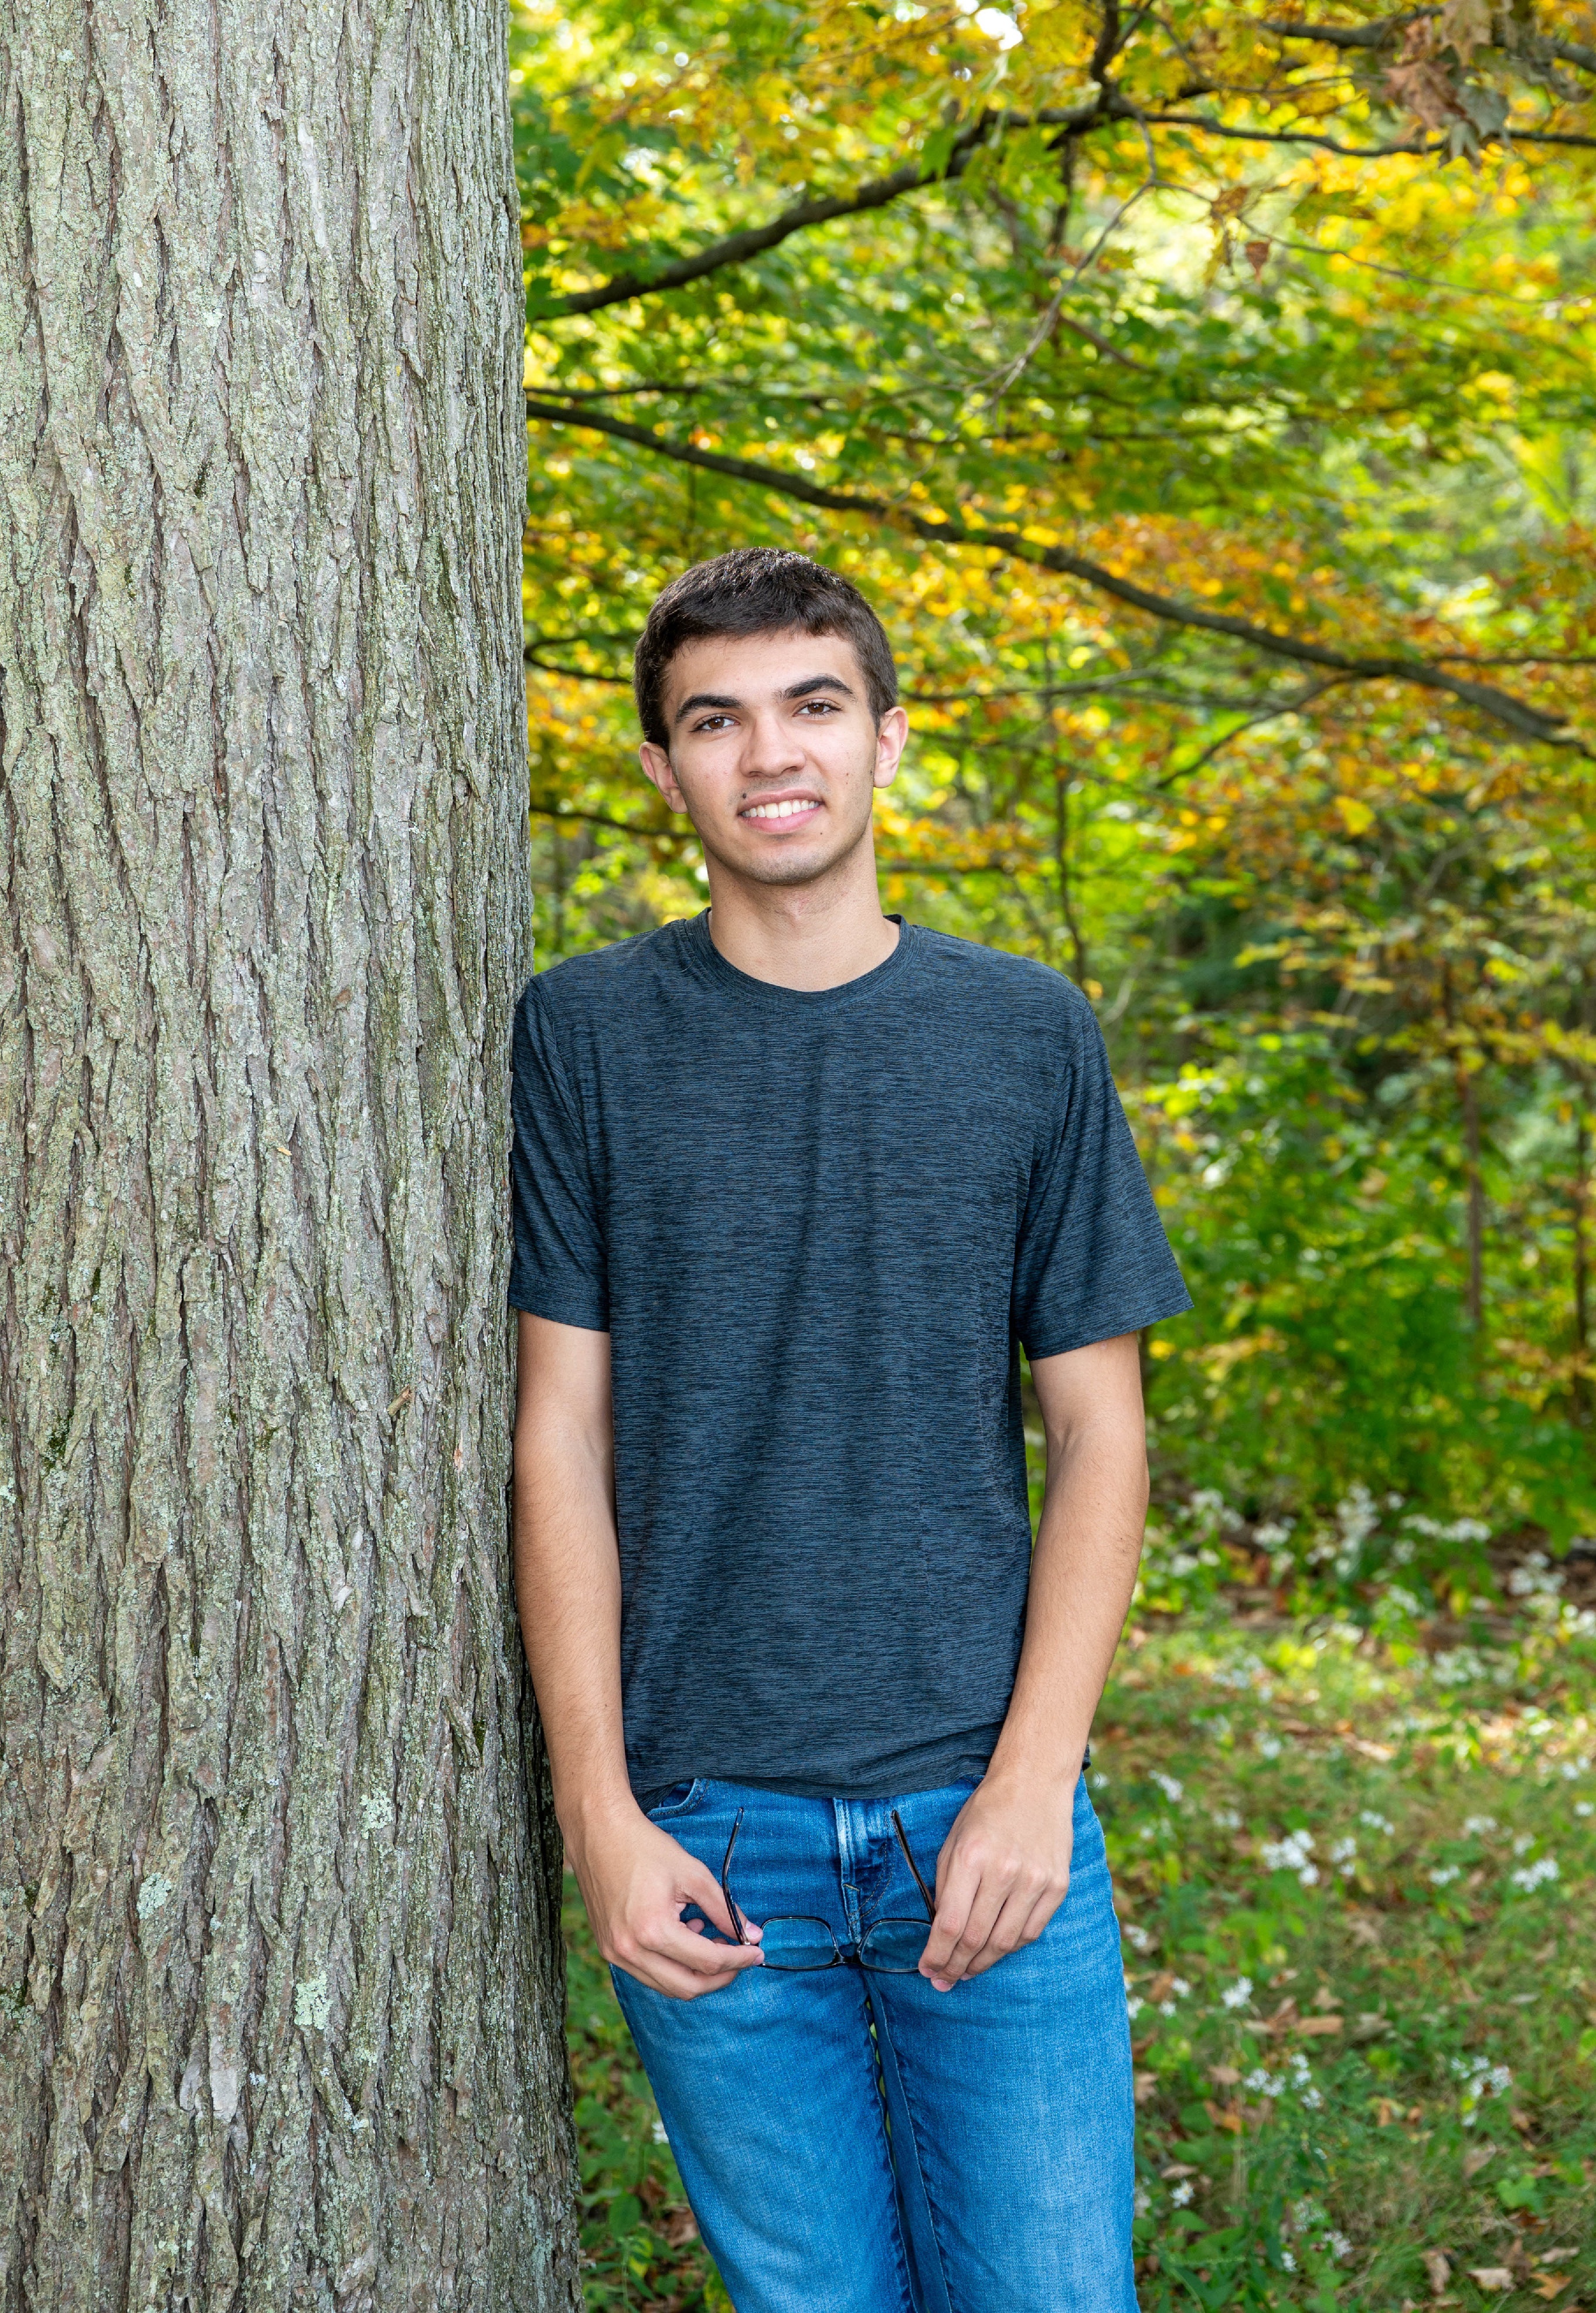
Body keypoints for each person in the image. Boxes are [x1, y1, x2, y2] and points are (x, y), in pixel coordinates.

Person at [509, 547, 1192, 2312]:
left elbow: (1099, 1435)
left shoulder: (1026, 1033)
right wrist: (597, 1812)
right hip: (709, 1832)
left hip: (985, 1805)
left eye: (813, 705)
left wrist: (1033, 1781)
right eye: (714, 720)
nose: (770, 754)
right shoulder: (582, 1034)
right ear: (663, 769)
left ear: (886, 737)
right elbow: (558, 1435)